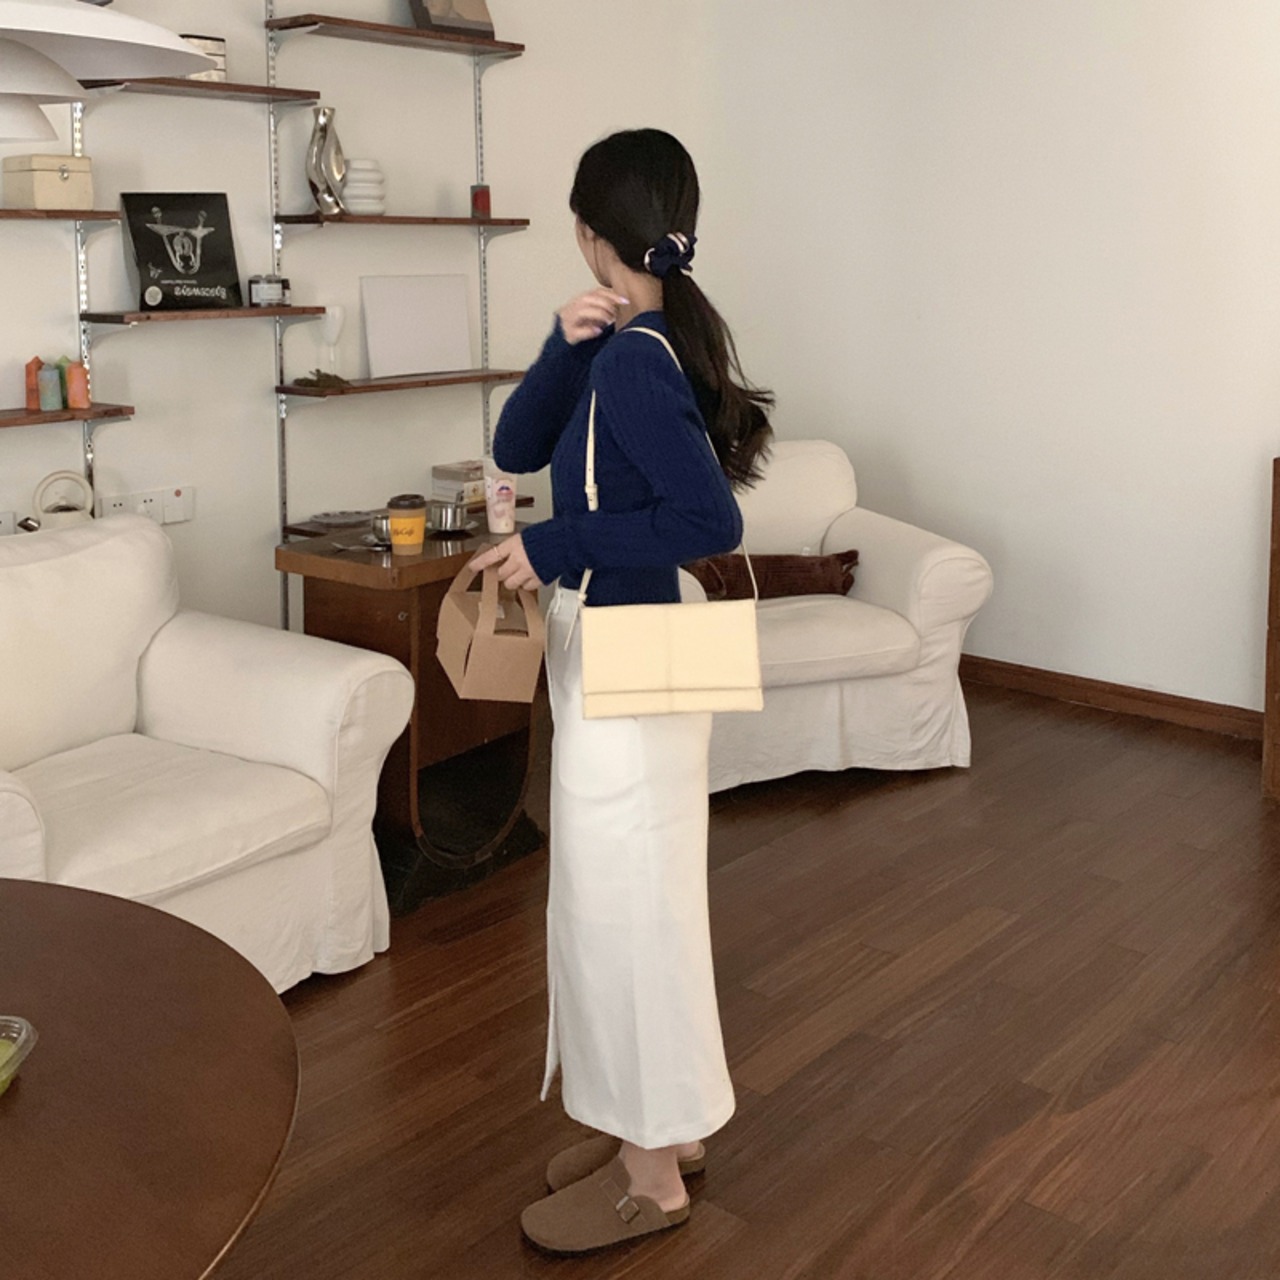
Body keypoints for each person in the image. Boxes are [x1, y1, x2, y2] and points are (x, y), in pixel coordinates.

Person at [469, 127, 773, 1254]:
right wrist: (562, 344)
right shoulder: (632, 341)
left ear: (591, 232)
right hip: (635, 643)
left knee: (622, 914)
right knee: (643, 902)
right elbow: (516, 444)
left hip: (631, 648)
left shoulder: (642, 359)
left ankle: (650, 1177)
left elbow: (707, 520)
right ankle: (667, 1134)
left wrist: (551, 547)